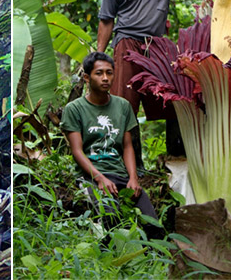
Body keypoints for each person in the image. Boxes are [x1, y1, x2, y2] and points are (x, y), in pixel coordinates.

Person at [96, 0, 212, 158]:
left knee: (173, 99)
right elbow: (106, 19)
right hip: (127, 44)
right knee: (124, 106)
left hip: (157, 47)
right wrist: (99, 55)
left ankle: (176, 158)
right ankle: (131, 165)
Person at [60, 52, 161, 235]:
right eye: (99, 73)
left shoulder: (123, 106)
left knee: (153, 225)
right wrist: (99, 178)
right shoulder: (74, 109)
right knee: (111, 218)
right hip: (90, 176)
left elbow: (127, 146)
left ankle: (153, 253)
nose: (105, 78)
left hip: (120, 174)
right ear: (87, 77)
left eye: (109, 73)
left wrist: (133, 178)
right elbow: (77, 151)